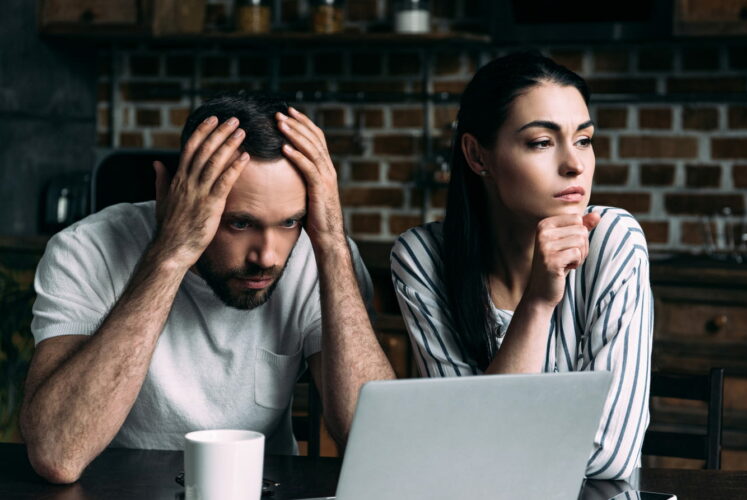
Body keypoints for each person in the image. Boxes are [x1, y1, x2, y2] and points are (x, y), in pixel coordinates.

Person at [20, 93, 395, 484]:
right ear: (175, 195)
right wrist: (170, 252)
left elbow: (381, 448)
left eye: (289, 222)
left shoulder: (319, 254)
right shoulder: (85, 249)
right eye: (239, 223)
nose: (267, 256)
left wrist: (332, 242)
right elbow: (57, 453)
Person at [390, 52, 652, 481]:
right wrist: (538, 302)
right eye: (541, 142)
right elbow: (466, 449)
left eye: (584, 139)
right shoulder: (421, 259)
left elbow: (611, 454)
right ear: (477, 156)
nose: (575, 164)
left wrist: (487, 445)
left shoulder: (613, 239)